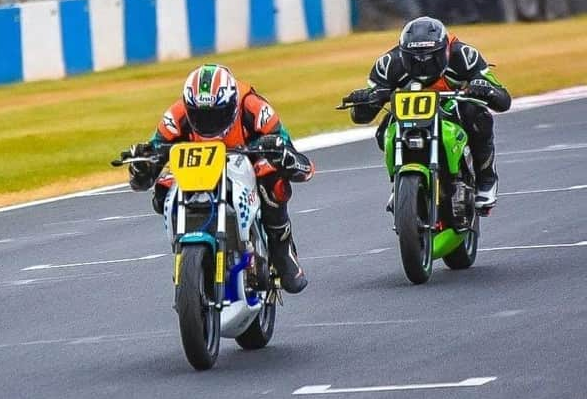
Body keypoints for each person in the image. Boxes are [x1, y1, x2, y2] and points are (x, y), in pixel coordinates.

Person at [124, 64, 314, 294]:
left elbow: (299, 163)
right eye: (200, 115)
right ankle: (185, 252)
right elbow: (145, 174)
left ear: (232, 103)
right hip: (197, 168)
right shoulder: (176, 115)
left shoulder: (254, 107)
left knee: (273, 179)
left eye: (216, 114)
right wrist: (142, 166)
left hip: (247, 164)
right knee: (163, 190)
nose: (208, 123)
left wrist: (283, 155)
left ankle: (282, 250)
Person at [345, 16, 511, 209]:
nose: (422, 64)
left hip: (453, 106)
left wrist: (484, 88)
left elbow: (503, 100)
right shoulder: (388, 63)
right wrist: (366, 100)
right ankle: (400, 182)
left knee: (477, 115)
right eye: (414, 58)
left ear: (445, 50)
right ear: (403, 52)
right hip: (410, 113)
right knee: (384, 131)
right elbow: (360, 117)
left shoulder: (465, 55)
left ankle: (486, 178)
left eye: (430, 57)